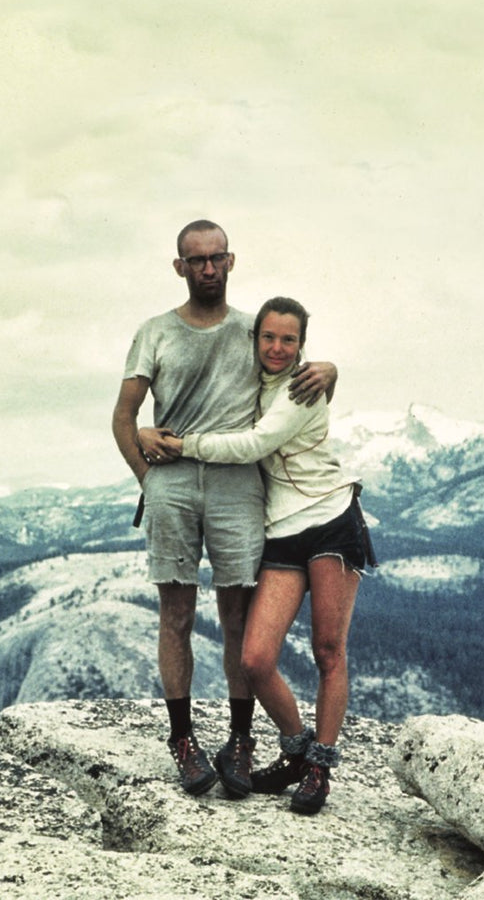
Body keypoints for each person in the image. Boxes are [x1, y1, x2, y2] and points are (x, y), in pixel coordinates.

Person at [111, 223, 337, 799]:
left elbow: (294, 362)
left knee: (238, 616)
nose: (207, 269)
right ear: (179, 266)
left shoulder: (250, 332)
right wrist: (149, 479)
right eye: (196, 260)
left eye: (216, 258)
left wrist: (333, 370)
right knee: (176, 615)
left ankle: (241, 740)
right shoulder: (155, 332)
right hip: (174, 485)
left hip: (239, 487)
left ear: (231, 261)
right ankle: (182, 740)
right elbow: (123, 416)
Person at [160, 296, 377, 815]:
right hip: (280, 529)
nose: (278, 348)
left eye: (289, 340)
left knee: (329, 651)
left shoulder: (303, 387)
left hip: (330, 520)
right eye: (269, 337)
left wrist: (182, 445)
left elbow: (255, 444)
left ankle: (319, 768)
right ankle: (298, 748)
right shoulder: (254, 382)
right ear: (254, 339)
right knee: (255, 660)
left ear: (303, 345)